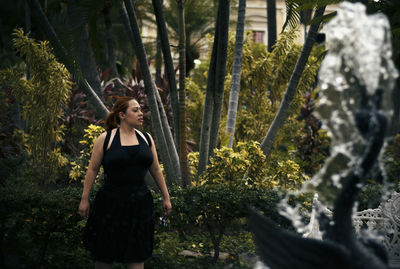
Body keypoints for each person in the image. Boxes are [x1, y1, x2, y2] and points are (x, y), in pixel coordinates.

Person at [78, 96, 172, 269]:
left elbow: (156, 169)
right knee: (104, 257)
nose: (140, 114)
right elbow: (92, 170)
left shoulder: (146, 138)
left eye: (140, 110)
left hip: (140, 205)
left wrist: (166, 197)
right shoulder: (105, 139)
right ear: (122, 114)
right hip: (109, 205)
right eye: (135, 110)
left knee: (136, 257)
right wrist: (84, 199)